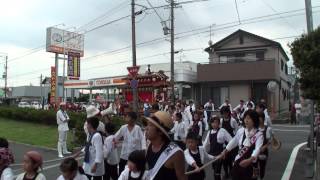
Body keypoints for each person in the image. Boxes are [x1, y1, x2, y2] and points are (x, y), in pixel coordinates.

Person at [221, 110, 264, 180]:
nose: (246, 120)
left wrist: (249, 160)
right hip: (239, 161)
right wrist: (225, 150)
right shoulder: (241, 130)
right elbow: (234, 141)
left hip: (251, 164)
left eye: (249, 118)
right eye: (245, 118)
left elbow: (258, 149)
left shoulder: (259, 134)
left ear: (254, 120)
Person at [144, 111, 187, 180]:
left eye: (151, 125)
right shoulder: (149, 145)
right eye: (147, 124)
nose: (146, 128)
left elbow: (182, 178)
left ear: (160, 131)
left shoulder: (176, 153)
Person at [220, 105, 239, 178]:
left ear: (228, 113)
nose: (225, 114)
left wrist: (236, 142)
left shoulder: (233, 120)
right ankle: (226, 173)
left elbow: (237, 132)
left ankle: (231, 172)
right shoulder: (221, 121)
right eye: (223, 113)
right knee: (225, 159)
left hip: (232, 142)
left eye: (226, 113)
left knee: (232, 159)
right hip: (224, 143)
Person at [257, 113, 272, 179]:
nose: (258, 119)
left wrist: (264, 147)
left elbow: (269, 141)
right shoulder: (255, 128)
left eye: (260, 118)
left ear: (263, 119)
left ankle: (261, 178)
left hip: (263, 151)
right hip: (255, 151)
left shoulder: (267, 129)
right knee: (254, 167)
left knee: (262, 167)